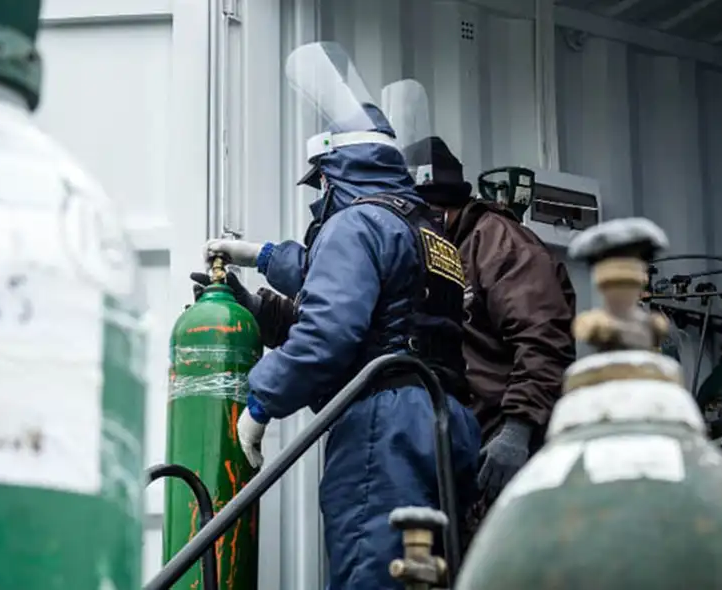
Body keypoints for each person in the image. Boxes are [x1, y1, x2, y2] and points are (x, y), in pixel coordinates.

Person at [193, 42, 481, 588]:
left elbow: (330, 331)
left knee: (372, 571)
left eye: (319, 184)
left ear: (333, 174)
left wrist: (261, 405)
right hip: (448, 421)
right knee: (430, 573)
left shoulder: (355, 225)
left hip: (385, 423)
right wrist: (261, 259)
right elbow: (364, 286)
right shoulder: (423, 229)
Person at [400, 130, 577, 538]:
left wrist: (517, 430)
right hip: (462, 456)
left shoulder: (497, 241)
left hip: (509, 450)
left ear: (440, 209)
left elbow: (544, 335)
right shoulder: (433, 257)